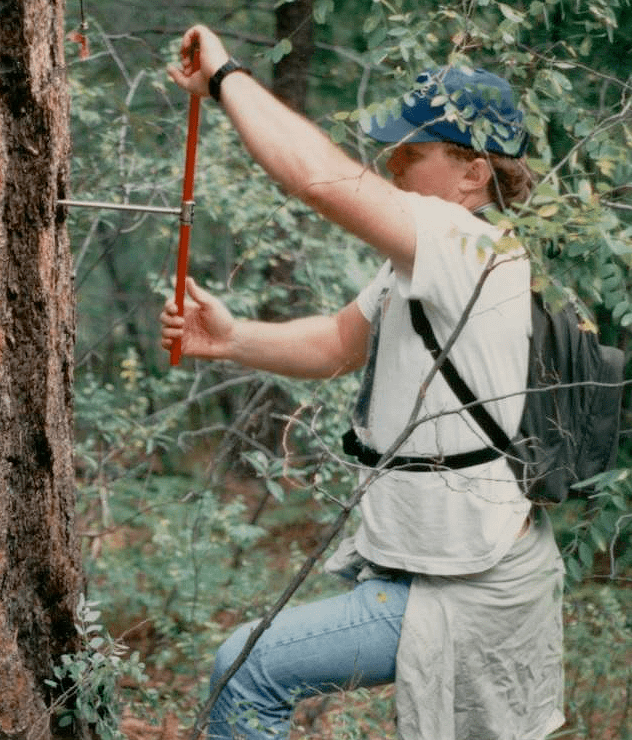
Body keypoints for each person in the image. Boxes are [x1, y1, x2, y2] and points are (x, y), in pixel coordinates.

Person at [160, 25, 564, 740]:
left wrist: (227, 78)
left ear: (474, 173)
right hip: (434, 563)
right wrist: (229, 340)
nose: (393, 164)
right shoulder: (426, 260)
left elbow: (316, 178)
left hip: (472, 582)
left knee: (246, 664)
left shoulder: (473, 246)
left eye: (412, 151)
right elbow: (339, 343)